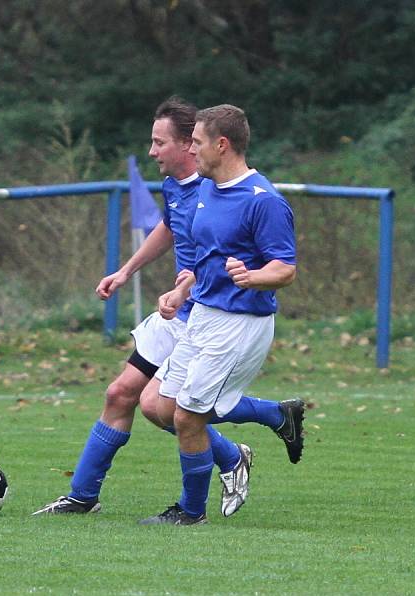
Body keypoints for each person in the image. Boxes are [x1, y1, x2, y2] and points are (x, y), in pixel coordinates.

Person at [33, 97, 304, 517]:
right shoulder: (193, 189)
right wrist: (141, 277)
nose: (154, 151)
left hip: (225, 317)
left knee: (180, 412)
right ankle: (86, 496)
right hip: (190, 311)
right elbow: (183, 238)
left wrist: (241, 278)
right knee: (138, 399)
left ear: (212, 145)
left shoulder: (246, 194)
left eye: (165, 142)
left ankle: (194, 503)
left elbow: (279, 265)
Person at [139, 104, 297, 526]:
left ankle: (191, 513)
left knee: (189, 417)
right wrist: (181, 290)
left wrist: (253, 276)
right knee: (161, 407)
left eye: (197, 142)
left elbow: (285, 268)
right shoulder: (206, 191)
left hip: (240, 323)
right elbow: (205, 260)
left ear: (222, 145)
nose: (191, 149)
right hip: (203, 314)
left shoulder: (263, 201)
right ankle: (276, 415)